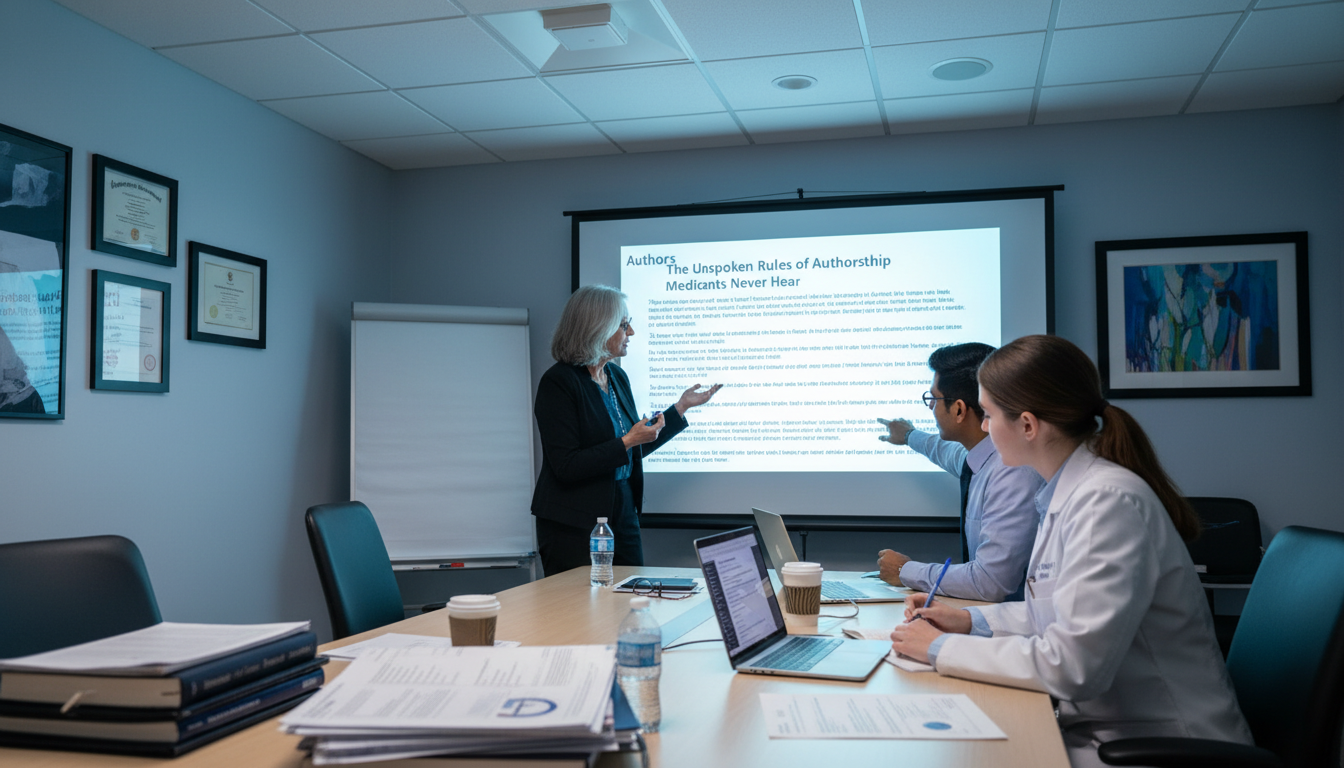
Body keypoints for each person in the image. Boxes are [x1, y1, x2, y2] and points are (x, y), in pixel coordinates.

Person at [890, 335, 1252, 768]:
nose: (983, 428)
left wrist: (938, 648)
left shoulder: (1106, 502)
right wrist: (971, 619)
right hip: (1107, 729)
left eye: (988, 415)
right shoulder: (1071, 492)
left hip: (1163, 746)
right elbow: (1059, 612)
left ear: (1027, 425)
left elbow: (1073, 666)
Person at [531, 285, 721, 577]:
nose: (630, 332)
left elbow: (630, 449)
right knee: (577, 613)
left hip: (622, 511)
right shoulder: (559, 383)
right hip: (574, 522)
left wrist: (679, 409)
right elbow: (566, 466)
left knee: (629, 600)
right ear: (597, 328)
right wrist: (629, 440)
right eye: (623, 325)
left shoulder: (617, 376)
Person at [875, 342, 1042, 601]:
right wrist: (908, 435)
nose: (930, 407)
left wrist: (905, 570)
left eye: (933, 398)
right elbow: (942, 450)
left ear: (959, 409)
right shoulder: (981, 457)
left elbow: (991, 582)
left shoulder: (1012, 472)